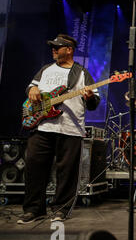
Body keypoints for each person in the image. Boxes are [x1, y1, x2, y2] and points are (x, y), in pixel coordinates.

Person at [17, 34, 100, 224]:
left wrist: (88, 97)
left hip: (70, 128)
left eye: (57, 47)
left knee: (67, 172)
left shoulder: (81, 73)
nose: (53, 49)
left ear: (69, 50)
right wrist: (32, 90)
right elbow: (31, 88)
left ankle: (60, 209)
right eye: (53, 47)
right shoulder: (45, 70)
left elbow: (94, 102)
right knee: (34, 168)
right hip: (42, 125)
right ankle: (34, 209)